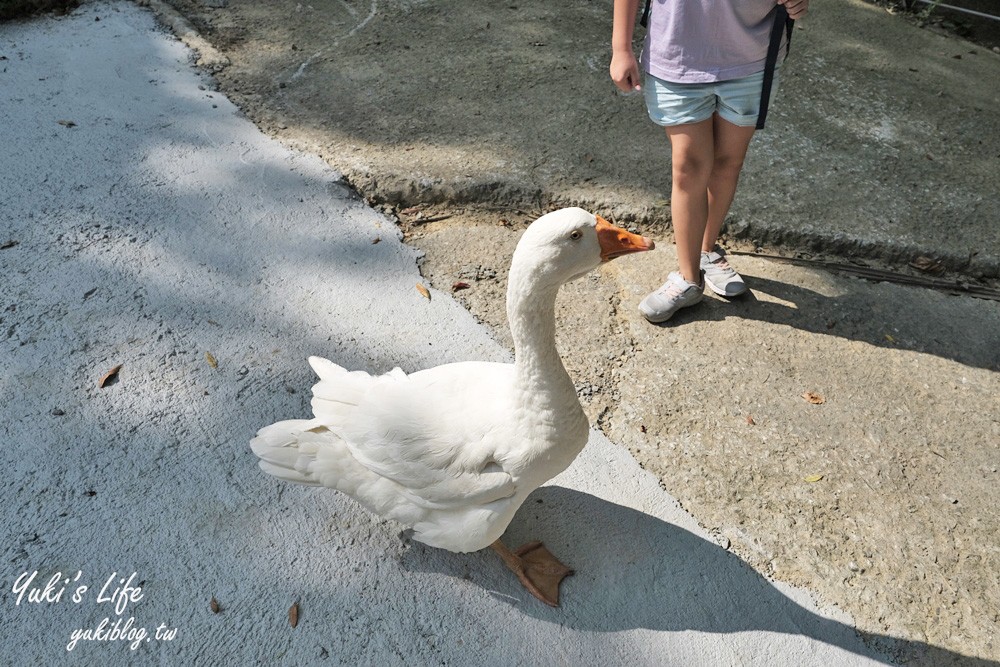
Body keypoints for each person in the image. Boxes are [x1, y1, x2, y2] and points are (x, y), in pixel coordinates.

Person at [610, 0, 809, 323]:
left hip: (753, 58)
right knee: (688, 169)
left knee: (728, 163)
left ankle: (707, 250)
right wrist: (621, 47)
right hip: (676, 56)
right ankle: (689, 278)